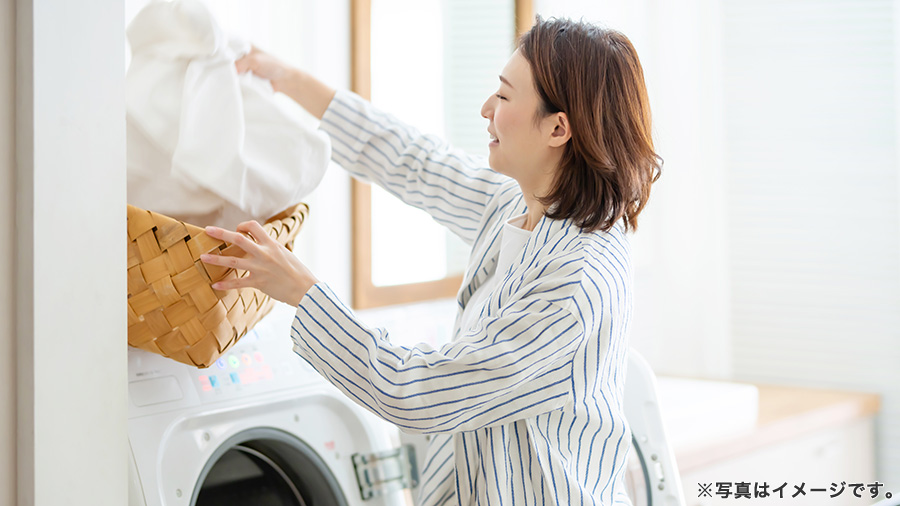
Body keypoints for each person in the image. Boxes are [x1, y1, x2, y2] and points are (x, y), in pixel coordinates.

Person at [200, 16, 660, 506]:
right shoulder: (519, 205)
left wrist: (302, 292)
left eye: (503, 97)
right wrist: (286, 78)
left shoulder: (578, 285)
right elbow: (414, 162)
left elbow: (416, 391)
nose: (486, 108)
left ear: (558, 128)